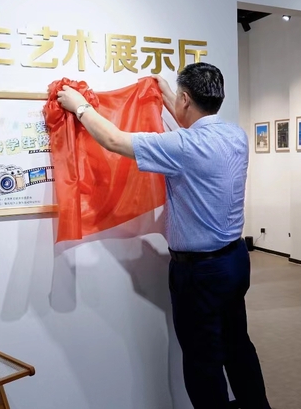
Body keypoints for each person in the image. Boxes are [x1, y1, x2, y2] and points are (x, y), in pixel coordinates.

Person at [56, 63, 271, 409]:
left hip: (199, 273)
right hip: (234, 261)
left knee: (202, 361)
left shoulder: (185, 146)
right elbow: (191, 119)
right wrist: (169, 93)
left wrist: (79, 106)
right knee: (237, 346)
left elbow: (114, 140)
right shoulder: (236, 136)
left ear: (186, 99)